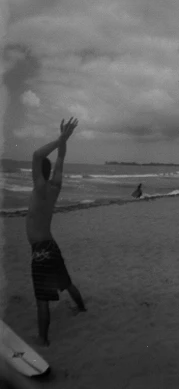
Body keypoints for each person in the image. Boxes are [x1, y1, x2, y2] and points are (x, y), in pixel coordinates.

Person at [27, 118, 86, 347]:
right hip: (51, 245)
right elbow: (60, 158)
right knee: (65, 282)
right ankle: (81, 308)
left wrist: (61, 138)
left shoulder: (40, 188)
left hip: (41, 251)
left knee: (42, 298)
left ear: (37, 174)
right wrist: (63, 142)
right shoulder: (54, 186)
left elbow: (36, 155)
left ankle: (43, 339)